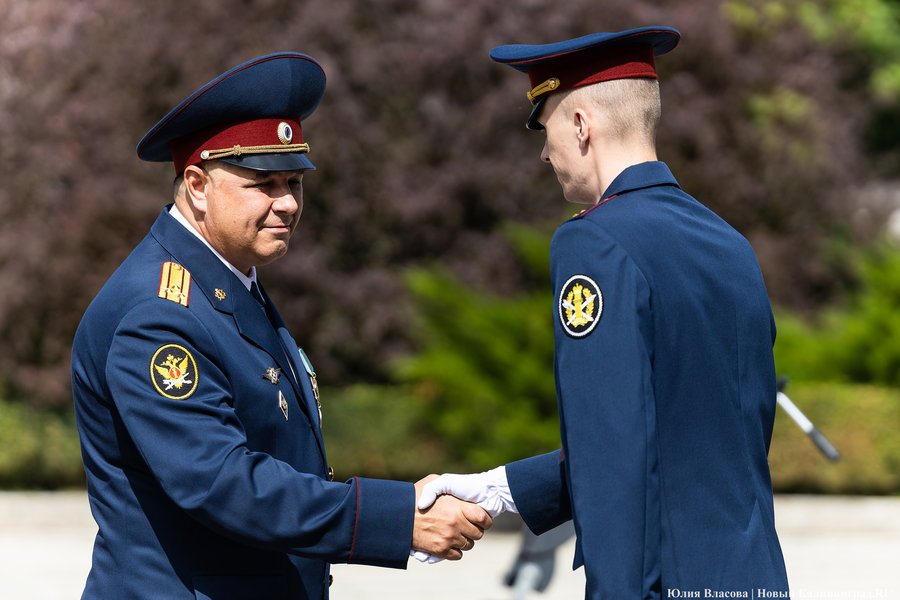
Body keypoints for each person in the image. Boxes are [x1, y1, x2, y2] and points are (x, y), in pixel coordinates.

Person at [71, 52, 490, 600]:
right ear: (198, 185)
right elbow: (221, 482)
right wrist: (396, 517)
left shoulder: (226, 280)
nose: (288, 203)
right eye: (263, 183)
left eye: (294, 181)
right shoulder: (159, 312)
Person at [418, 27, 790, 598]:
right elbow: (688, 437)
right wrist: (496, 488)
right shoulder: (730, 244)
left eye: (546, 131)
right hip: (754, 579)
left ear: (581, 125)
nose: (544, 152)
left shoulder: (594, 244)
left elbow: (616, 453)